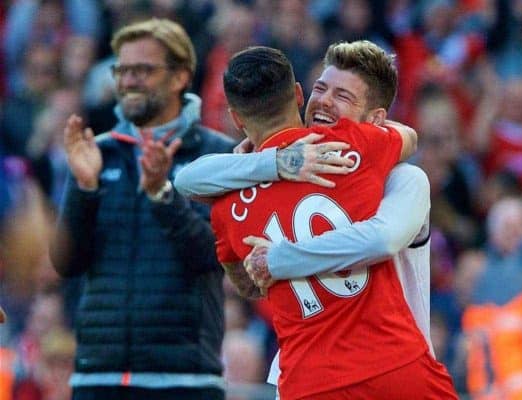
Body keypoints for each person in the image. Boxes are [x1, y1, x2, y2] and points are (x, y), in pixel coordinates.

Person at [175, 40, 449, 394]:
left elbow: (246, 281)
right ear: (300, 94)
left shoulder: (404, 177)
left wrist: (278, 257)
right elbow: (407, 136)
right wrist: (266, 163)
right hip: (382, 366)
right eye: (321, 88)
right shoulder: (358, 148)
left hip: (330, 375)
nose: (325, 101)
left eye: (343, 96)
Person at [50, 18, 234, 400]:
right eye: (122, 70)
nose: (129, 80)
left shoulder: (216, 154)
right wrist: (86, 188)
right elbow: (66, 263)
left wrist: (161, 195)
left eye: (143, 70)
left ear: (180, 76)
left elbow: (214, 255)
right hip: (98, 375)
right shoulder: (95, 153)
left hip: (185, 379)